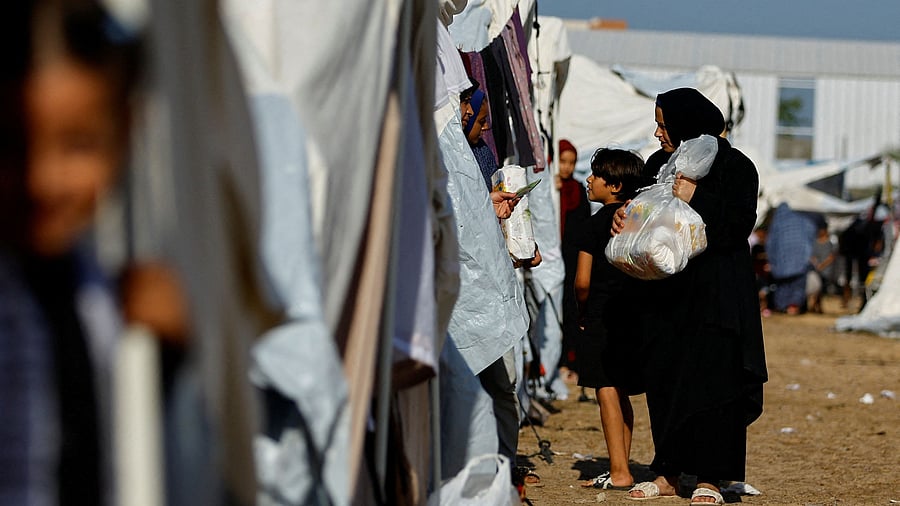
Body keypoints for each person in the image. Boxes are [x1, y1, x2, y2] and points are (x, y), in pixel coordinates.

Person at [0, 1, 141, 504]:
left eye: (77, 144)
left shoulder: (93, 289)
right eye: (11, 144)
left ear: (124, 130)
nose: (42, 181)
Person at [612, 88, 767, 504]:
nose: (658, 131)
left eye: (663, 123)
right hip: (668, 299)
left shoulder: (736, 167)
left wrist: (696, 197)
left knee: (716, 386)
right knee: (667, 380)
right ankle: (667, 471)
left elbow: (736, 227)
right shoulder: (660, 165)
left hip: (717, 297)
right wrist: (622, 219)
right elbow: (644, 216)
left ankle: (711, 478)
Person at [573, 148, 646, 490]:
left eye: (596, 175)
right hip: (633, 313)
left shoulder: (595, 223)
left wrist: (582, 310)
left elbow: (583, 281)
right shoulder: (640, 217)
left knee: (605, 389)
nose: (589, 180)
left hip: (602, 314)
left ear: (614, 185)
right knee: (621, 391)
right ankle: (622, 463)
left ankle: (619, 470)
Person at [556, 139, 591, 380]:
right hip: (552, 256)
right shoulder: (549, 187)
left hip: (571, 257)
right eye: (562, 161)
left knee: (571, 308)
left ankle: (572, 359)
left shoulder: (577, 190)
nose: (566, 167)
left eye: (571, 163)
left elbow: (583, 227)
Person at [808, 222, 836, 313]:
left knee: (822, 289)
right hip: (817, 269)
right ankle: (816, 305)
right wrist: (816, 264)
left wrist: (822, 265)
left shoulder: (829, 243)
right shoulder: (815, 242)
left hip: (826, 270)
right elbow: (812, 256)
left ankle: (817, 305)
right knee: (817, 288)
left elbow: (831, 257)